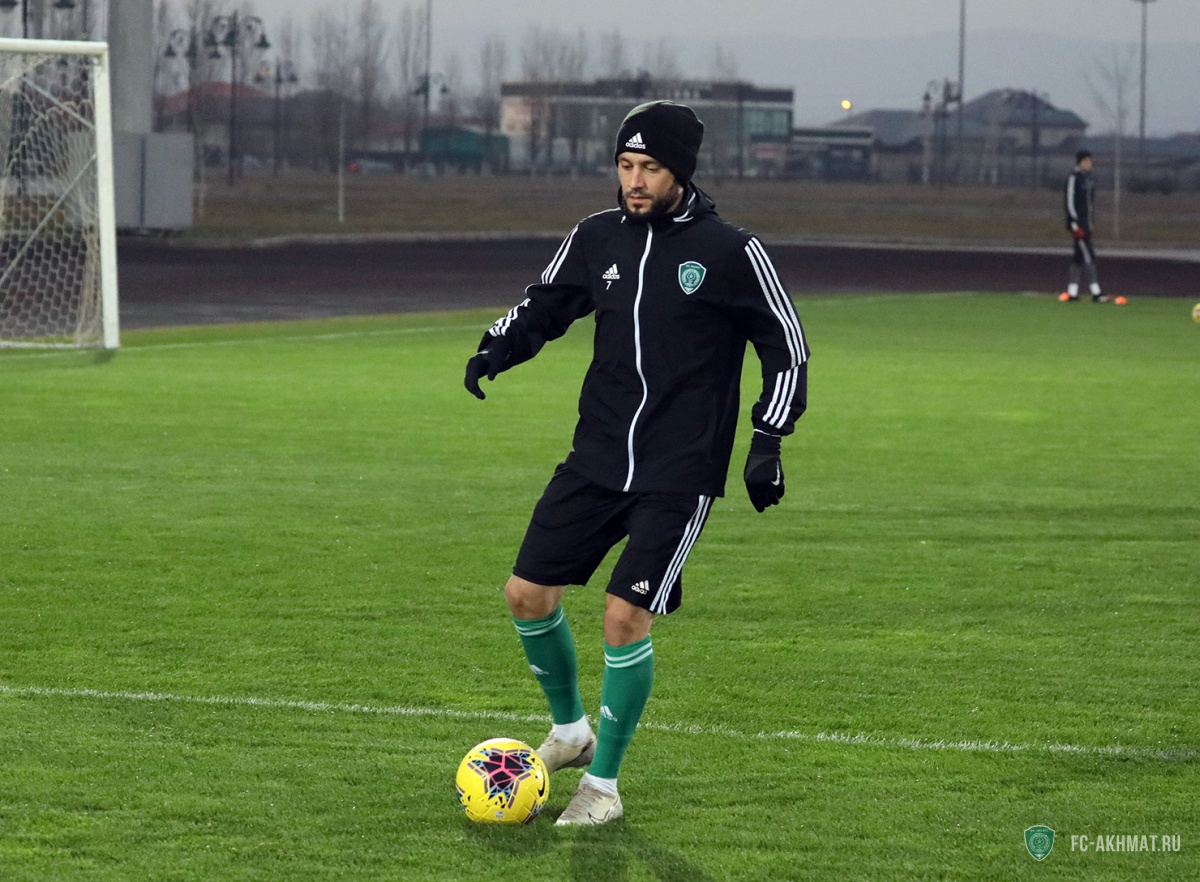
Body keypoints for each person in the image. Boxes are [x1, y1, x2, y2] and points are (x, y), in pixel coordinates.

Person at [462, 100, 810, 826]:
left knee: (624, 617)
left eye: (649, 167)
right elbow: (544, 305)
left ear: (679, 171)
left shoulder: (731, 251)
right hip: (596, 456)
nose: (635, 181)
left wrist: (767, 440)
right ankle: (570, 732)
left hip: (679, 471)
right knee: (526, 595)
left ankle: (603, 788)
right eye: (625, 165)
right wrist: (498, 346)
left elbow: (787, 346)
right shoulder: (596, 237)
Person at [1062, 149, 1109, 303]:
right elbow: (1069, 202)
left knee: (1078, 257)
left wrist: (1091, 223)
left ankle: (1072, 292)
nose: (1090, 164)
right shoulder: (1073, 178)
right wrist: (1074, 223)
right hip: (1078, 225)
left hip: (1086, 224)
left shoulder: (1088, 179)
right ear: (1081, 162)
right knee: (1089, 256)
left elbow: (1090, 205)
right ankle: (1096, 292)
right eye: (1087, 161)